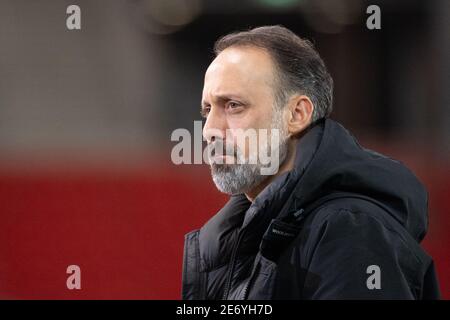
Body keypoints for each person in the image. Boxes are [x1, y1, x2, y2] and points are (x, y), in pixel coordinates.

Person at [181, 25, 440, 299]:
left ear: (297, 114)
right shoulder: (242, 236)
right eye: (207, 110)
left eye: (233, 105)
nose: (209, 129)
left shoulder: (353, 233)